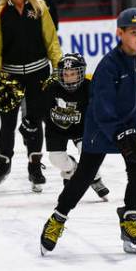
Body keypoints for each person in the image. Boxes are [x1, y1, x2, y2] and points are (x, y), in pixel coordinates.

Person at [39, 8, 136, 256]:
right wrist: (118, 133)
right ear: (120, 33)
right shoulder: (109, 66)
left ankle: (129, 218)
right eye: (134, 32)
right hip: (102, 128)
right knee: (84, 175)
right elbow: (102, 105)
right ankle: (57, 218)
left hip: (130, 126)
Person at [0, 0, 62, 192]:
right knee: (7, 123)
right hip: (10, 75)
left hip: (39, 73)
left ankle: (35, 166)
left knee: (33, 121)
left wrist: (58, 70)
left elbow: (51, 42)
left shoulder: (40, 8)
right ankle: (3, 164)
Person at [43, 53, 110, 201]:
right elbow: (41, 110)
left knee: (88, 152)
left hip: (83, 129)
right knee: (55, 159)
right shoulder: (51, 89)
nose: (69, 77)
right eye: (65, 74)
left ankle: (95, 178)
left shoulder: (90, 88)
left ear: (81, 73)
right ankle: (71, 170)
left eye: (73, 74)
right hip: (56, 130)